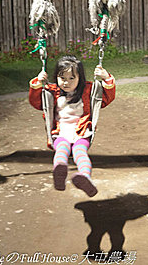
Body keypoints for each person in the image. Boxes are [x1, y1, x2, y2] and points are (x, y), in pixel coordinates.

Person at [29, 55, 115, 197]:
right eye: (62, 78)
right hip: (60, 133)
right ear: (56, 77)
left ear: (79, 78)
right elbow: (37, 103)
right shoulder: (52, 91)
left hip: (81, 132)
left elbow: (105, 98)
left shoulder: (88, 90)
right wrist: (38, 82)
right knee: (61, 150)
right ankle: (59, 174)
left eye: (71, 78)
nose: (66, 83)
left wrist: (106, 78)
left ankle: (85, 177)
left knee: (80, 152)